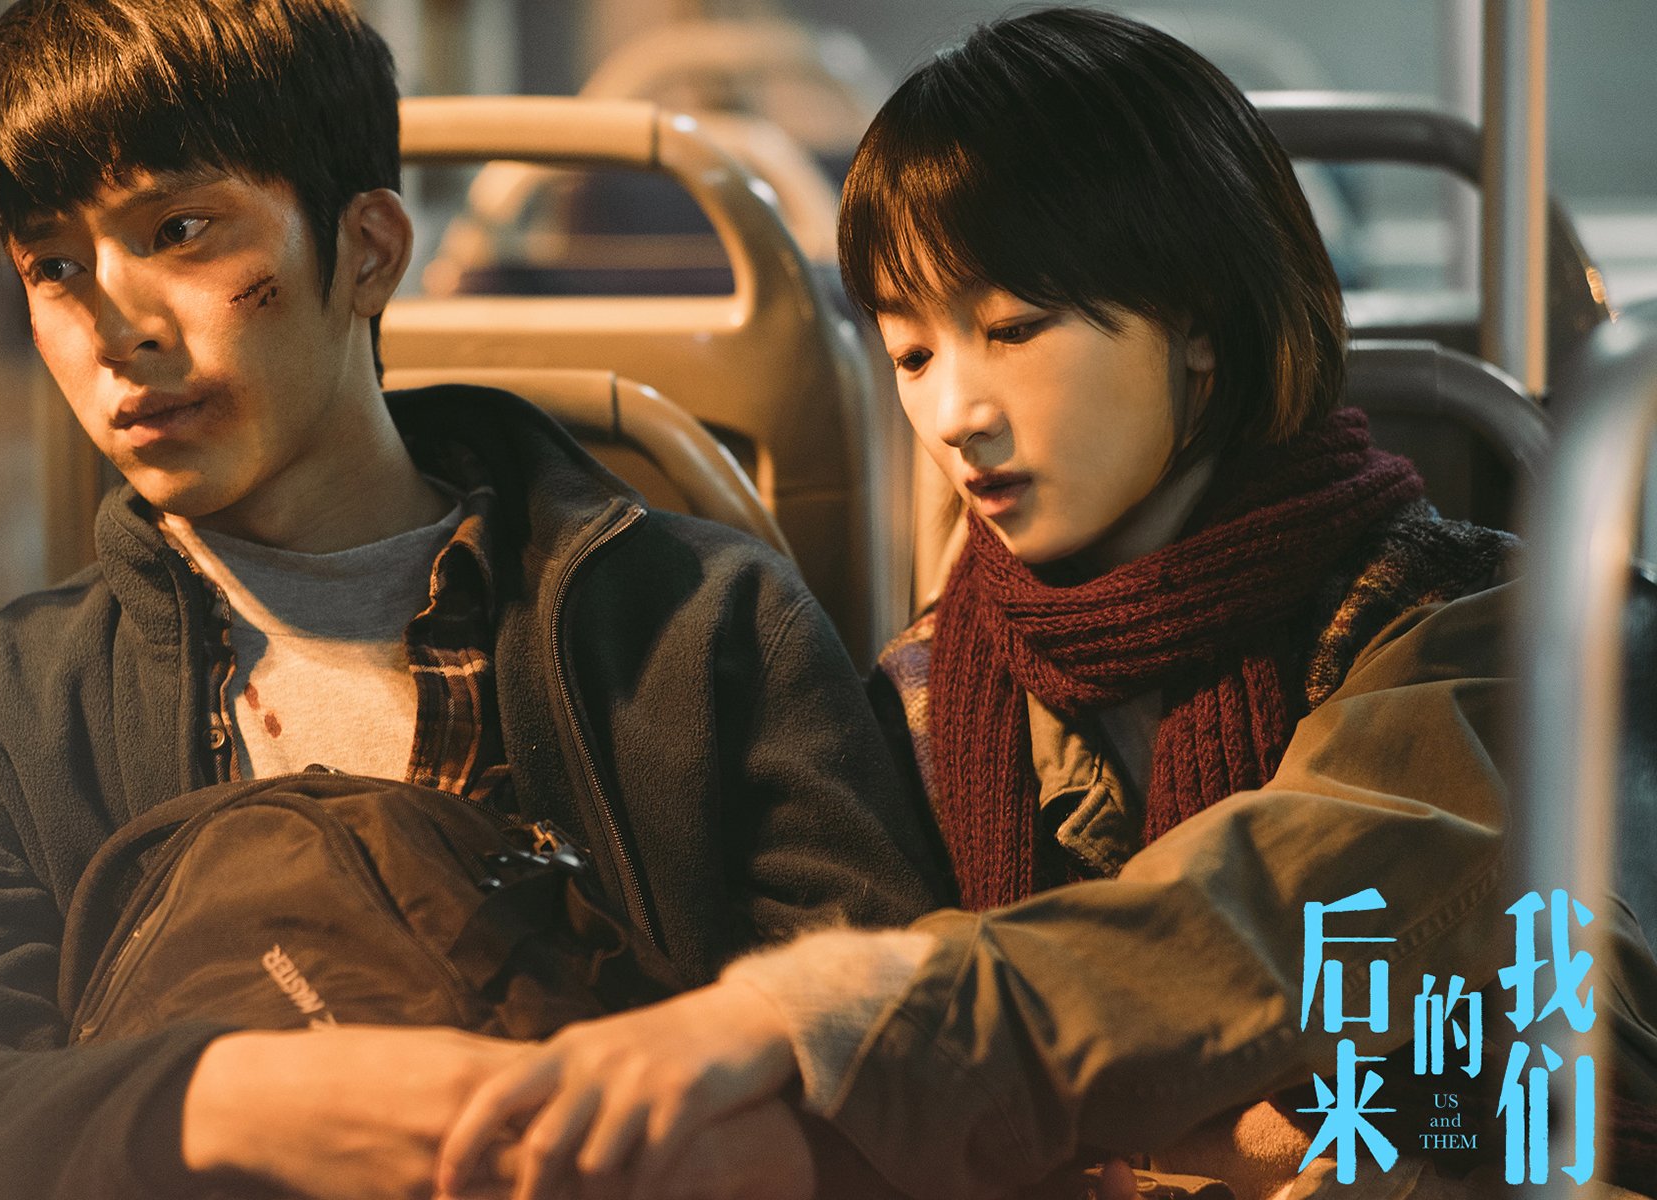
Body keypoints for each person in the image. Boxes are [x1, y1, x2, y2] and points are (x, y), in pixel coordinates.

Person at [437, 9, 1657, 1199]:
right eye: (913, 354)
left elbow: (1281, 911)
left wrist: (818, 1016)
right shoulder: (932, 691)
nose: (955, 413)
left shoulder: (1488, 629)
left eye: (1014, 328)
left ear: (1198, 323)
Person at [0, 1, 945, 1196]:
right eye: (55, 267)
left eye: (180, 231)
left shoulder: (700, 630)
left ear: (367, 250)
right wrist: (231, 1102)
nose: (114, 327)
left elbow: (906, 1064)